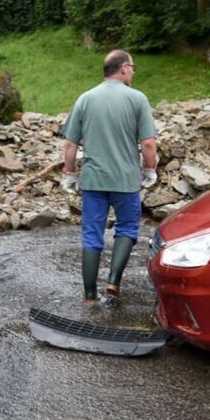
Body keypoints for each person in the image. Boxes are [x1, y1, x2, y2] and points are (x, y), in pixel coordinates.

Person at [64, 50, 160, 304]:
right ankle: (113, 281)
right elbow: (148, 143)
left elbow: (70, 144)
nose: (134, 71)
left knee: (91, 233)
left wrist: (70, 174)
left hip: (93, 179)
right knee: (127, 228)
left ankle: (89, 296)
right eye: (133, 67)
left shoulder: (85, 99)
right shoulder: (137, 99)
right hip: (126, 180)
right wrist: (150, 170)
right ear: (124, 68)